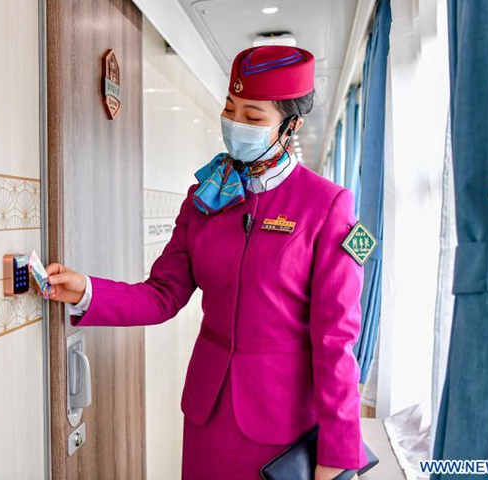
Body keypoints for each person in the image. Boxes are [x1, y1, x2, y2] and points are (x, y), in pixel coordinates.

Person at [45, 45, 368, 480]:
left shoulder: (327, 206)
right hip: (207, 410)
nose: (236, 125)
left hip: (282, 422)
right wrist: (87, 290)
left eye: (253, 118)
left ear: (291, 126)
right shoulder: (206, 198)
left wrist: (338, 454)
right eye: (230, 109)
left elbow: (336, 341)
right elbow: (162, 295)